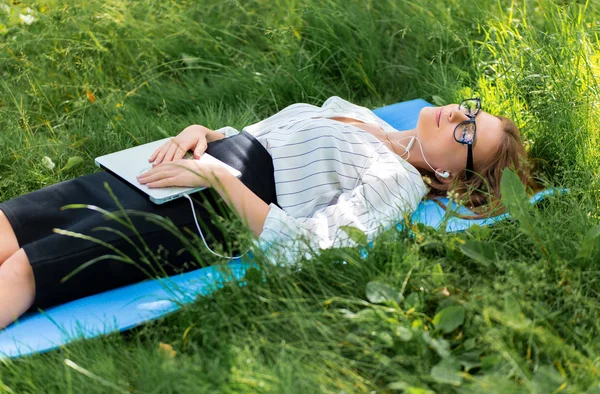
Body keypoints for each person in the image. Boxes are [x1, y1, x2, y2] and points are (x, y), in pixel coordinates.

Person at [0, 96, 531, 329]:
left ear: (448, 177)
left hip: (213, 211)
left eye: (467, 134)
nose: (460, 115)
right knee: (12, 221)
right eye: (473, 111)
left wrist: (216, 177)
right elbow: (264, 136)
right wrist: (206, 137)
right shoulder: (359, 116)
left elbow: (307, 247)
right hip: (188, 165)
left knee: (33, 264)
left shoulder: (398, 185)